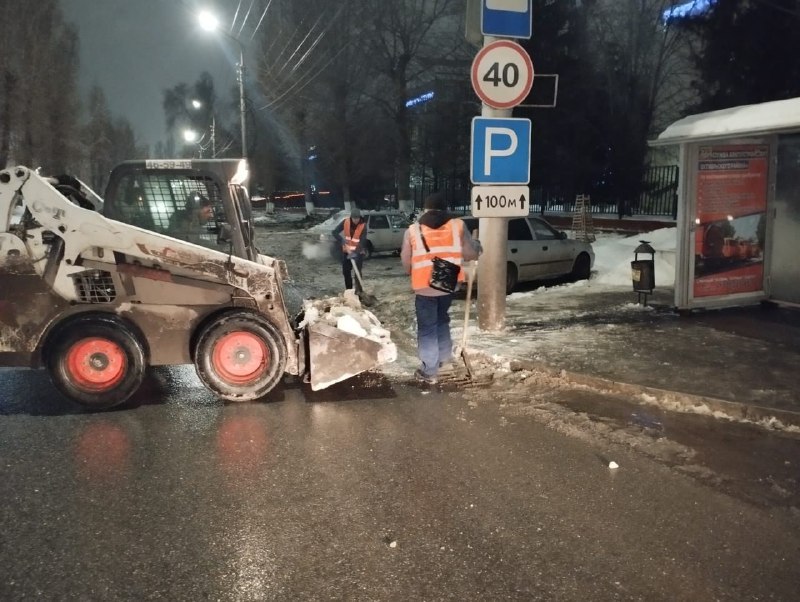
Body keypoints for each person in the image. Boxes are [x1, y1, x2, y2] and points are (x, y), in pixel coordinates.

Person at [401, 192, 482, 384]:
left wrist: (411, 271)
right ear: (445, 209)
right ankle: (444, 359)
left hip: (424, 284)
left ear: (426, 209)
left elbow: (406, 260)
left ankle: (429, 371)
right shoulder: (458, 225)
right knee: (442, 319)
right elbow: (470, 253)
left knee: (427, 327)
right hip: (448, 280)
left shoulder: (413, 230)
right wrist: (477, 247)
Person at [332, 207, 368, 294]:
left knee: (357, 273)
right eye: (354, 218)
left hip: (358, 253)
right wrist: (341, 240)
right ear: (351, 217)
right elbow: (334, 232)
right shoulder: (345, 222)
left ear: (360, 218)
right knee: (346, 271)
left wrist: (355, 253)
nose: (356, 220)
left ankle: (359, 291)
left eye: (358, 218)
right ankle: (349, 290)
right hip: (346, 252)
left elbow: (362, 241)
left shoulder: (363, 226)